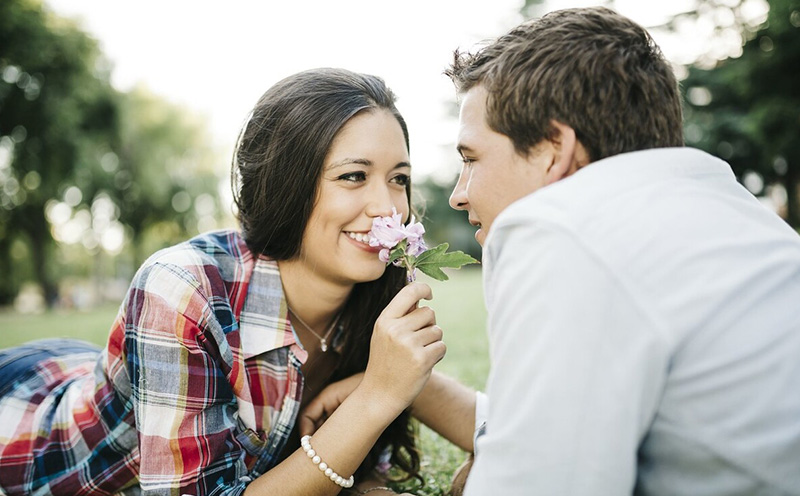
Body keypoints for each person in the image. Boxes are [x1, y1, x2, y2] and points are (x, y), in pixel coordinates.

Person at [0, 68, 447, 496]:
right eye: (353, 176)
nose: (388, 207)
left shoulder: (377, 292)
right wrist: (373, 399)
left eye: (399, 179)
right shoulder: (181, 288)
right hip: (26, 426)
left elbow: (347, 471)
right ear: (286, 183)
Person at [441, 6, 800, 495]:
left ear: (552, 148)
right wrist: (405, 391)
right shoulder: (740, 217)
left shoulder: (561, 232)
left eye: (471, 159)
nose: (458, 194)